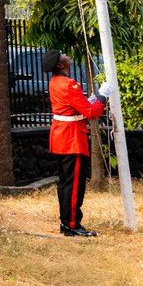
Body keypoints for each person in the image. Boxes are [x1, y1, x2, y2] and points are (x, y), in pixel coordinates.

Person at [43, 48, 111, 237]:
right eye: (62, 56)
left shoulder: (55, 82)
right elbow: (92, 113)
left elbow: (73, 108)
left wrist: (90, 100)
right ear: (61, 64)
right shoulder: (69, 85)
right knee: (74, 185)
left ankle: (66, 223)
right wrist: (103, 96)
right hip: (72, 139)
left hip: (60, 137)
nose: (65, 55)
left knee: (65, 183)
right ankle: (72, 224)